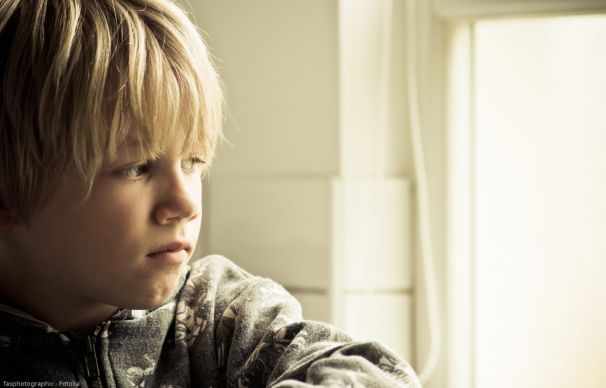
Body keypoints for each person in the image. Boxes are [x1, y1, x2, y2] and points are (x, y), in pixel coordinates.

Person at [0, 0, 421, 386]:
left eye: (193, 162)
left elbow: (372, 373)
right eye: (136, 168)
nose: (183, 204)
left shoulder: (218, 314)